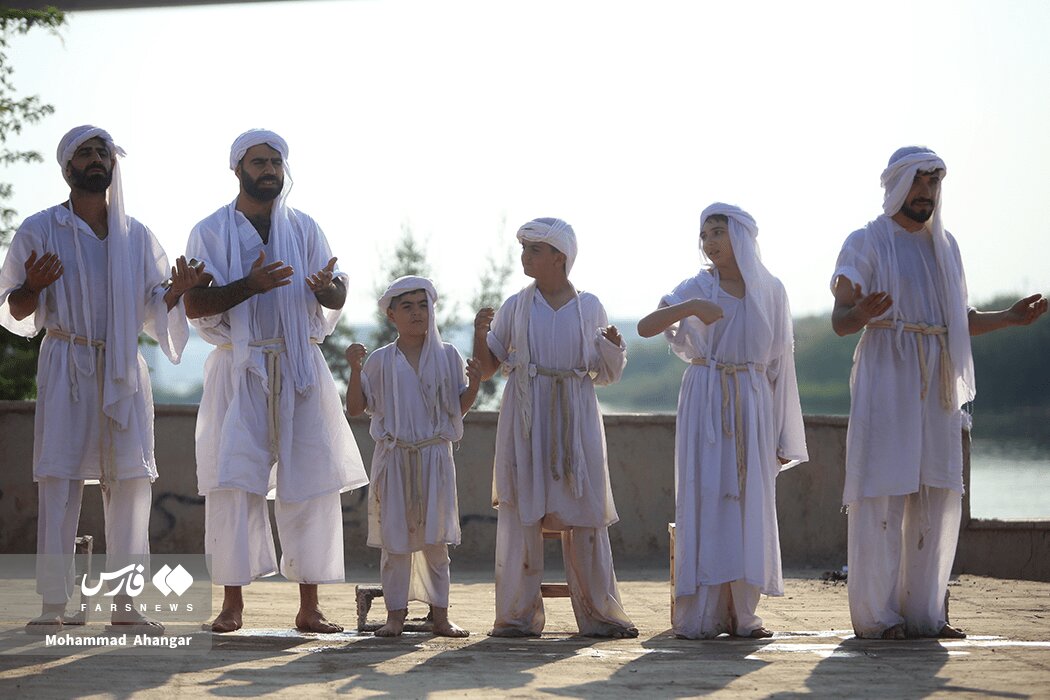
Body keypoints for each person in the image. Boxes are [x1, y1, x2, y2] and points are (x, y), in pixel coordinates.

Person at [831, 146, 1047, 640]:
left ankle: (925, 614)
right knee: (883, 493)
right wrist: (861, 314)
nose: (926, 192)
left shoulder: (945, 248)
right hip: (888, 371)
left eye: (933, 183)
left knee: (937, 492)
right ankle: (877, 618)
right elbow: (841, 321)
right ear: (896, 185)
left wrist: (1010, 319)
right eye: (918, 181)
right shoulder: (866, 241)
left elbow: (958, 321)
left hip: (938, 377)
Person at [0, 125, 197, 634]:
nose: (96, 160)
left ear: (113, 164)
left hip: (122, 368)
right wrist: (33, 286)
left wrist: (175, 293)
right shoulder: (40, 229)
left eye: (103, 153)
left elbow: (155, 309)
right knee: (59, 482)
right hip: (66, 363)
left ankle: (126, 606)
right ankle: (53, 604)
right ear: (67, 168)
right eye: (85, 153)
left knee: (131, 483)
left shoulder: (137, 236)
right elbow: (14, 309)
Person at [184, 129, 368, 633]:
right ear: (238, 169)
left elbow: (336, 296)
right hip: (238, 368)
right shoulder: (210, 232)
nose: (269, 170)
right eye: (259, 162)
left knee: (309, 485)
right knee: (234, 485)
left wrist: (327, 290)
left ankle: (310, 607)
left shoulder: (305, 228)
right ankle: (232, 605)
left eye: (275, 162)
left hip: (300, 367)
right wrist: (251, 285)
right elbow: (195, 305)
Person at [637, 203, 808, 639]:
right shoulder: (697, 286)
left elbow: (781, 367)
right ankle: (700, 615)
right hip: (706, 395)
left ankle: (744, 616)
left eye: (718, 232)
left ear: (742, 236)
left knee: (749, 501)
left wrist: (782, 436)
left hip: (752, 400)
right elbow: (646, 326)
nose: (709, 242)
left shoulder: (772, 290)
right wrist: (692, 306)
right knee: (707, 496)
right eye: (704, 235)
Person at [473, 217, 638, 639]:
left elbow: (605, 374)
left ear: (559, 257)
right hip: (526, 417)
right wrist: (479, 332)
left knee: (585, 514)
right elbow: (488, 368)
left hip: (575, 418)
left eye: (534, 250)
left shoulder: (590, 306)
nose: (525, 257)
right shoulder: (516, 305)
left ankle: (600, 613)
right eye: (524, 249)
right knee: (521, 514)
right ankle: (517, 616)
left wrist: (613, 348)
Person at [345, 275, 480, 637]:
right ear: (392, 315)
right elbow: (356, 408)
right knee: (395, 542)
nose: (418, 313)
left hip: (435, 456)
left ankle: (441, 616)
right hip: (395, 457)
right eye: (407, 306)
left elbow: (456, 410)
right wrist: (355, 370)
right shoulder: (380, 360)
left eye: (423, 305)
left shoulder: (448, 355)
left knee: (436, 543)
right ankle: (395, 616)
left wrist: (476, 384)